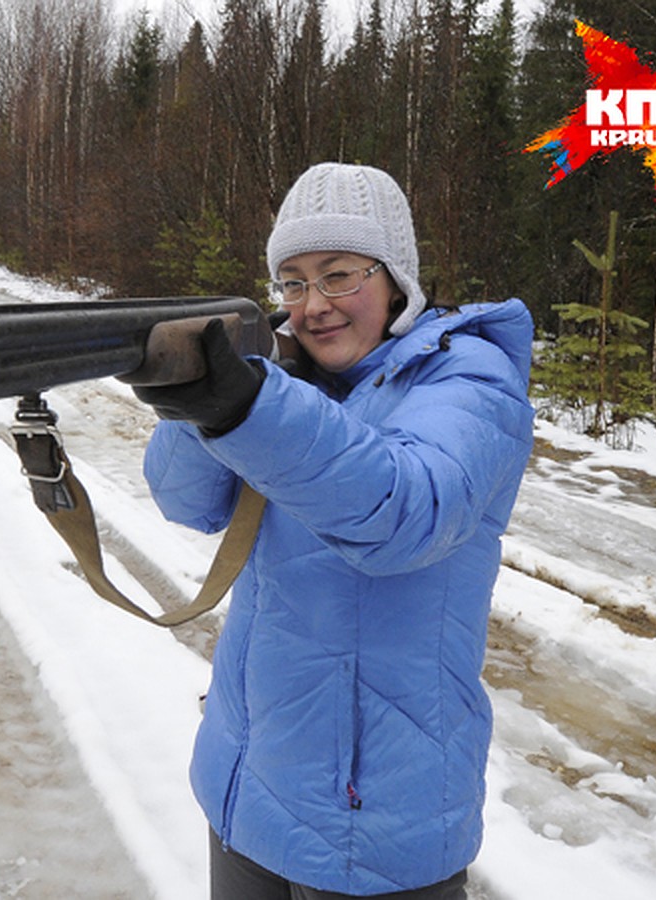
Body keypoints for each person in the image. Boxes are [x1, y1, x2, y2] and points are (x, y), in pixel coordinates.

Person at [133, 162, 534, 898]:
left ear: (397, 279)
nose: (313, 305)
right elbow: (186, 501)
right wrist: (200, 399)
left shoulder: (470, 380)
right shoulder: (290, 379)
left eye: (339, 274)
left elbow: (406, 513)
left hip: (376, 826)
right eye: (292, 280)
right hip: (248, 787)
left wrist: (249, 405)